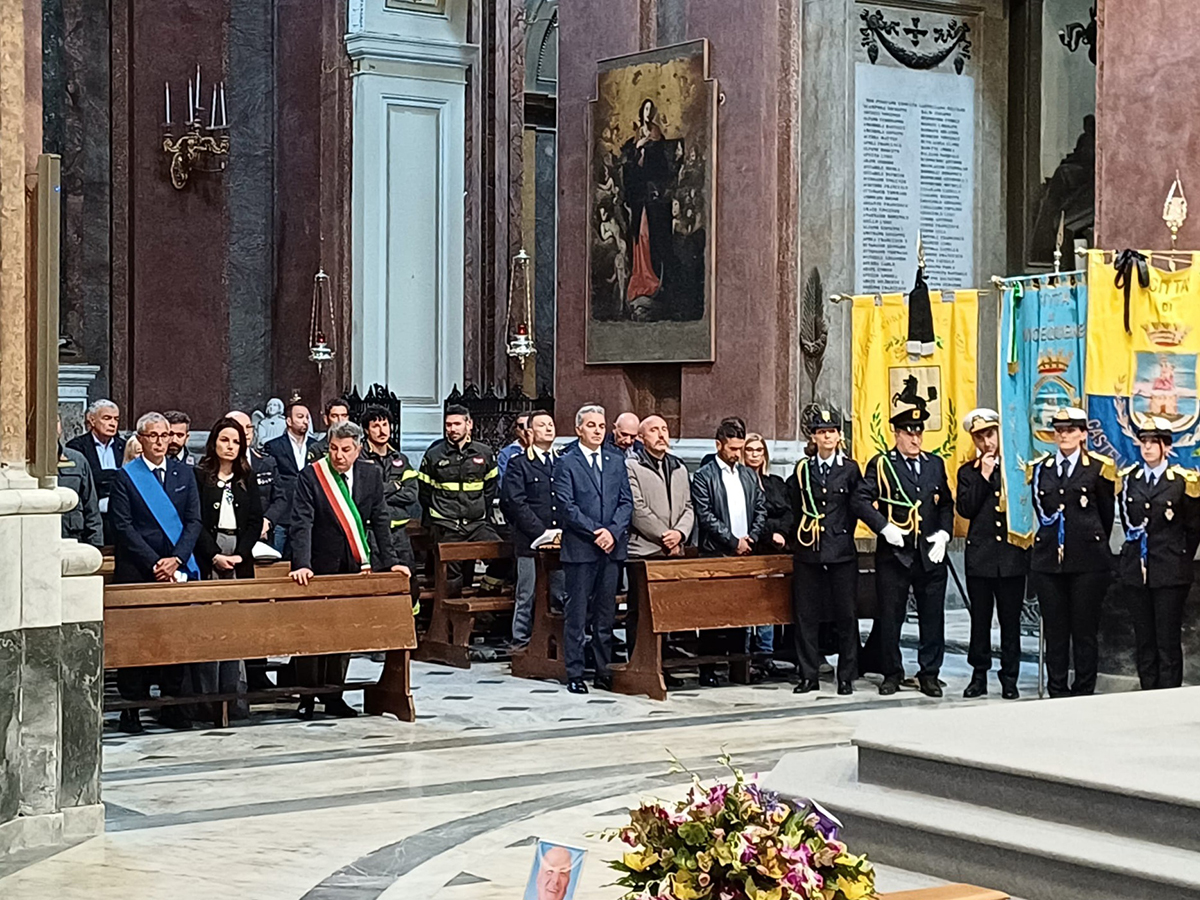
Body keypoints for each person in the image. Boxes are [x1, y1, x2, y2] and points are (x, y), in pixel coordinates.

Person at [289, 420, 407, 718]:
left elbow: (381, 520)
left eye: (345, 450)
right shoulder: (312, 476)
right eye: (333, 449)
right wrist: (302, 564)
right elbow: (302, 522)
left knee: (343, 634)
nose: (338, 456)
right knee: (313, 633)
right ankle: (307, 697)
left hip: (354, 565)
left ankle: (334, 695)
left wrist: (391, 560)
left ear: (358, 450)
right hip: (319, 565)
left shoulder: (371, 474)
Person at [108, 412, 203, 733]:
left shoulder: (184, 473)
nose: (161, 441)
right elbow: (123, 527)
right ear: (141, 439)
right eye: (153, 436)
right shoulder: (127, 477)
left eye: (165, 435)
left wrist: (176, 559)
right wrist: (154, 563)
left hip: (175, 570)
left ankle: (172, 704)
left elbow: (194, 522)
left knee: (173, 636)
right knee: (135, 640)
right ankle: (132, 707)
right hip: (138, 570)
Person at [854, 394, 954, 697]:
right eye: (909, 433)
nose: (915, 438)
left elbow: (946, 504)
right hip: (895, 555)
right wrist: (884, 528)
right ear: (896, 434)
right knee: (891, 616)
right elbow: (860, 500)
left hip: (929, 554)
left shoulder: (934, 464)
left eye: (919, 432)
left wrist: (944, 534)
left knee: (932, 617)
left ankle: (929, 674)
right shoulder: (883, 464)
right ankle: (892, 673)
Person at [1028, 406, 1117, 698]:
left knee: (1084, 631)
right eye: (1059, 430)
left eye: (1070, 430)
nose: (1064, 435)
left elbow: (1104, 514)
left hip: (1088, 561)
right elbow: (1041, 511)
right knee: (1055, 631)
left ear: (1082, 434)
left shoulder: (1098, 468)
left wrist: (1089, 542)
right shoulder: (1041, 468)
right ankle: (1056, 689)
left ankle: (1083, 690)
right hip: (1049, 561)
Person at [1116, 416, 1200, 690]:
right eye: (1144, 442)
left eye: (1154, 442)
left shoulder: (1181, 482)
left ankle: (1168, 697)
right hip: (1137, 571)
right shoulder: (1131, 480)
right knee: (1144, 639)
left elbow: (1193, 528)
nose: (1148, 447)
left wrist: (1178, 559)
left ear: (1166, 446)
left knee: (1167, 639)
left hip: (1169, 570)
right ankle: (1147, 692)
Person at [555, 404, 633, 694]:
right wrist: (595, 531)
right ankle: (575, 672)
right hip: (581, 548)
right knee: (577, 613)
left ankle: (603, 670)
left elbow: (626, 502)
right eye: (591, 426)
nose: (597, 431)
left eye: (601, 426)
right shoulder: (567, 461)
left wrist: (612, 531)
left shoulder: (615, 459)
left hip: (611, 549)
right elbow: (567, 505)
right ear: (578, 429)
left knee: (605, 614)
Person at [787, 408, 862, 696]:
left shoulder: (850, 469)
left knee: (846, 614)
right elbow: (796, 505)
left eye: (831, 431)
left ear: (839, 436)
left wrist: (840, 533)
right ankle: (808, 674)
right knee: (806, 615)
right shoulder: (803, 469)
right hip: (809, 551)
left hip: (841, 550)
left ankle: (846, 675)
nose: (827, 436)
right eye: (821, 431)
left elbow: (856, 506)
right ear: (814, 437)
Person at [956, 408, 1028, 700]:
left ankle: (1010, 676)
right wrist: (983, 476)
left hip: (1010, 557)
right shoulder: (968, 472)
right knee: (980, 620)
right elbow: (966, 509)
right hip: (982, 557)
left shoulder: (1015, 468)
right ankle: (978, 674)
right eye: (980, 437)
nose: (987, 442)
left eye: (990, 434)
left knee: (1011, 621)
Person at [691, 418, 766, 687]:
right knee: (713, 616)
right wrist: (733, 541)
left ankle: (738, 667)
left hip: (745, 553)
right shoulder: (704, 476)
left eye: (740, 448)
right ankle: (708, 669)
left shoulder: (746, 474)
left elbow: (760, 507)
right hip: (716, 554)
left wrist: (752, 538)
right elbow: (706, 516)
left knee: (740, 616)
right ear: (718, 444)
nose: (737, 454)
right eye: (732, 448)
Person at [625, 415, 694, 657]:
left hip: (673, 551)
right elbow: (637, 507)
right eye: (654, 430)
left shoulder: (679, 466)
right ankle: (639, 659)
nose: (662, 434)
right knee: (641, 609)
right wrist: (665, 535)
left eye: (664, 429)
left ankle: (665, 660)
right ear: (641, 438)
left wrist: (680, 534)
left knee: (669, 609)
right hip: (644, 550)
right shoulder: (632, 466)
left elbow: (688, 507)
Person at [418, 405, 501, 595]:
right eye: (448, 425)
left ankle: (486, 595)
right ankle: (451, 619)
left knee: (503, 557)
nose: (452, 429)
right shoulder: (434, 454)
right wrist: (438, 517)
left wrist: (478, 511)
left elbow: (490, 488)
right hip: (447, 525)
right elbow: (424, 491)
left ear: (469, 424)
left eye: (457, 424)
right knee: (451, 578)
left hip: (477, 524)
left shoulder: (484, 453)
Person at [500, 409, 566, 647]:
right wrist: (541, 532)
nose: (549, 428)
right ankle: (521, 642)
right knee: (526, 594)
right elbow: (515, 502)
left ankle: (556, 642)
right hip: (530, 542)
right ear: (529, 431)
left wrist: (558, 533)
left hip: (559, 541)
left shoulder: (562, 462)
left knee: (559, 594)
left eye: (551, 424)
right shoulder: (520, 464)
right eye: (542, 425)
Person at [742, 432, 793, 675]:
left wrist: (781, 533)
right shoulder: (738, 482)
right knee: (748, 603)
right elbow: (749, 517)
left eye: (758, 450)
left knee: (768, 603)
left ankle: (765, 653)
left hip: (775, 551)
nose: (754, 455)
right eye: (749, 450)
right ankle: (744, 655)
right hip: (751, 548)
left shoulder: (776, 483)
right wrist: (768, 534)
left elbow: (788, 513)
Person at [194, 418, 263, 581]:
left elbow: (255, 520)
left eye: (236, 442)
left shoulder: (247, 477)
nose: (230, 446)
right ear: (214, 442)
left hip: (240, 551)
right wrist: (213, 554)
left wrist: (241, 554)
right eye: (224, 440)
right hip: (209, 550)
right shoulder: (199, 475)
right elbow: (194, 520)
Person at [360, 406, 420, 582]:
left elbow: (411, 494)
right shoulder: (359, 458)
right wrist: (395, 486)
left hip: (399, 532)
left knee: (409, 580)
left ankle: (411, 611)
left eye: (385, 424)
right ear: (366, 430)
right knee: (377, 582)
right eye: (375, 426)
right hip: (371, 533)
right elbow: (363, 495)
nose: (382, 430)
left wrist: (380, 492)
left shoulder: (400, 458)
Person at [264, 399, 320, 554]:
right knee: (278, 558)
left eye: (307, 417)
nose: (305, 421)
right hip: (283, 513)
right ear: (288, 420)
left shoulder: (315, 446)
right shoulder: (273, 446)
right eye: (300, 416)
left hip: (308, 512)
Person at [67, 398, 127, 543]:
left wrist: (104, 477)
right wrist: (114, 476)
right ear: (92, 420)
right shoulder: (77, 447)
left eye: (116, 419)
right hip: (91, 513)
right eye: (107, 418)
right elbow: (88, 479)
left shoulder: (123, 446)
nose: (112, 423)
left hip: (120, 514)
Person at [228, 409, 286, 545]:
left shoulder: (267, 462)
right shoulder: (215, 467)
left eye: (249, 427)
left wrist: (267, 521)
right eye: (240, 428)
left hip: (263, 537)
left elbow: (280, 498)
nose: (247, 432)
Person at [57, 418, 103, 548]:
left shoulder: (77, 460)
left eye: (56, 421)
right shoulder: (25, 463)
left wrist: (96, 543)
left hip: (73, 539)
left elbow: (91, 506)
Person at [496, 413, 532, 483]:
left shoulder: (543, 450)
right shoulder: (506, 453)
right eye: (522, 426)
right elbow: (501, 481)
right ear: (516, 429)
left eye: (529, 425)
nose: (526, 430)